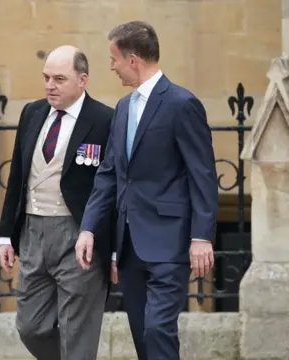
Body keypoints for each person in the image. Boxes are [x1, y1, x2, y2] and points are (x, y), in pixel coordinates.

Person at [76, 21, 218, 360]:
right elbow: (109, 174)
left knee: (158, 330)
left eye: (113, 59)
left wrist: (202, 236)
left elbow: (202, 174)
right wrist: (88, 228)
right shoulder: (124, 107)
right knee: (143, 336)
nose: (111, 67)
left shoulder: (182, 103)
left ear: (133, 59)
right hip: (129, 246)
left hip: (169, 241)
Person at [0, 45, 116, 360]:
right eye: (46, 77)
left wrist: (113, 245)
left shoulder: (105, 120)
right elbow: (18, 177)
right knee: (30, 326)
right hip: (33, 231)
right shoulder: (32, 113)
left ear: (83, 80)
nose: (50, 85)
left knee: (78, 332)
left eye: (60, 79)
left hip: (79, 234)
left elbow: (112, 189)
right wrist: (5, 235)